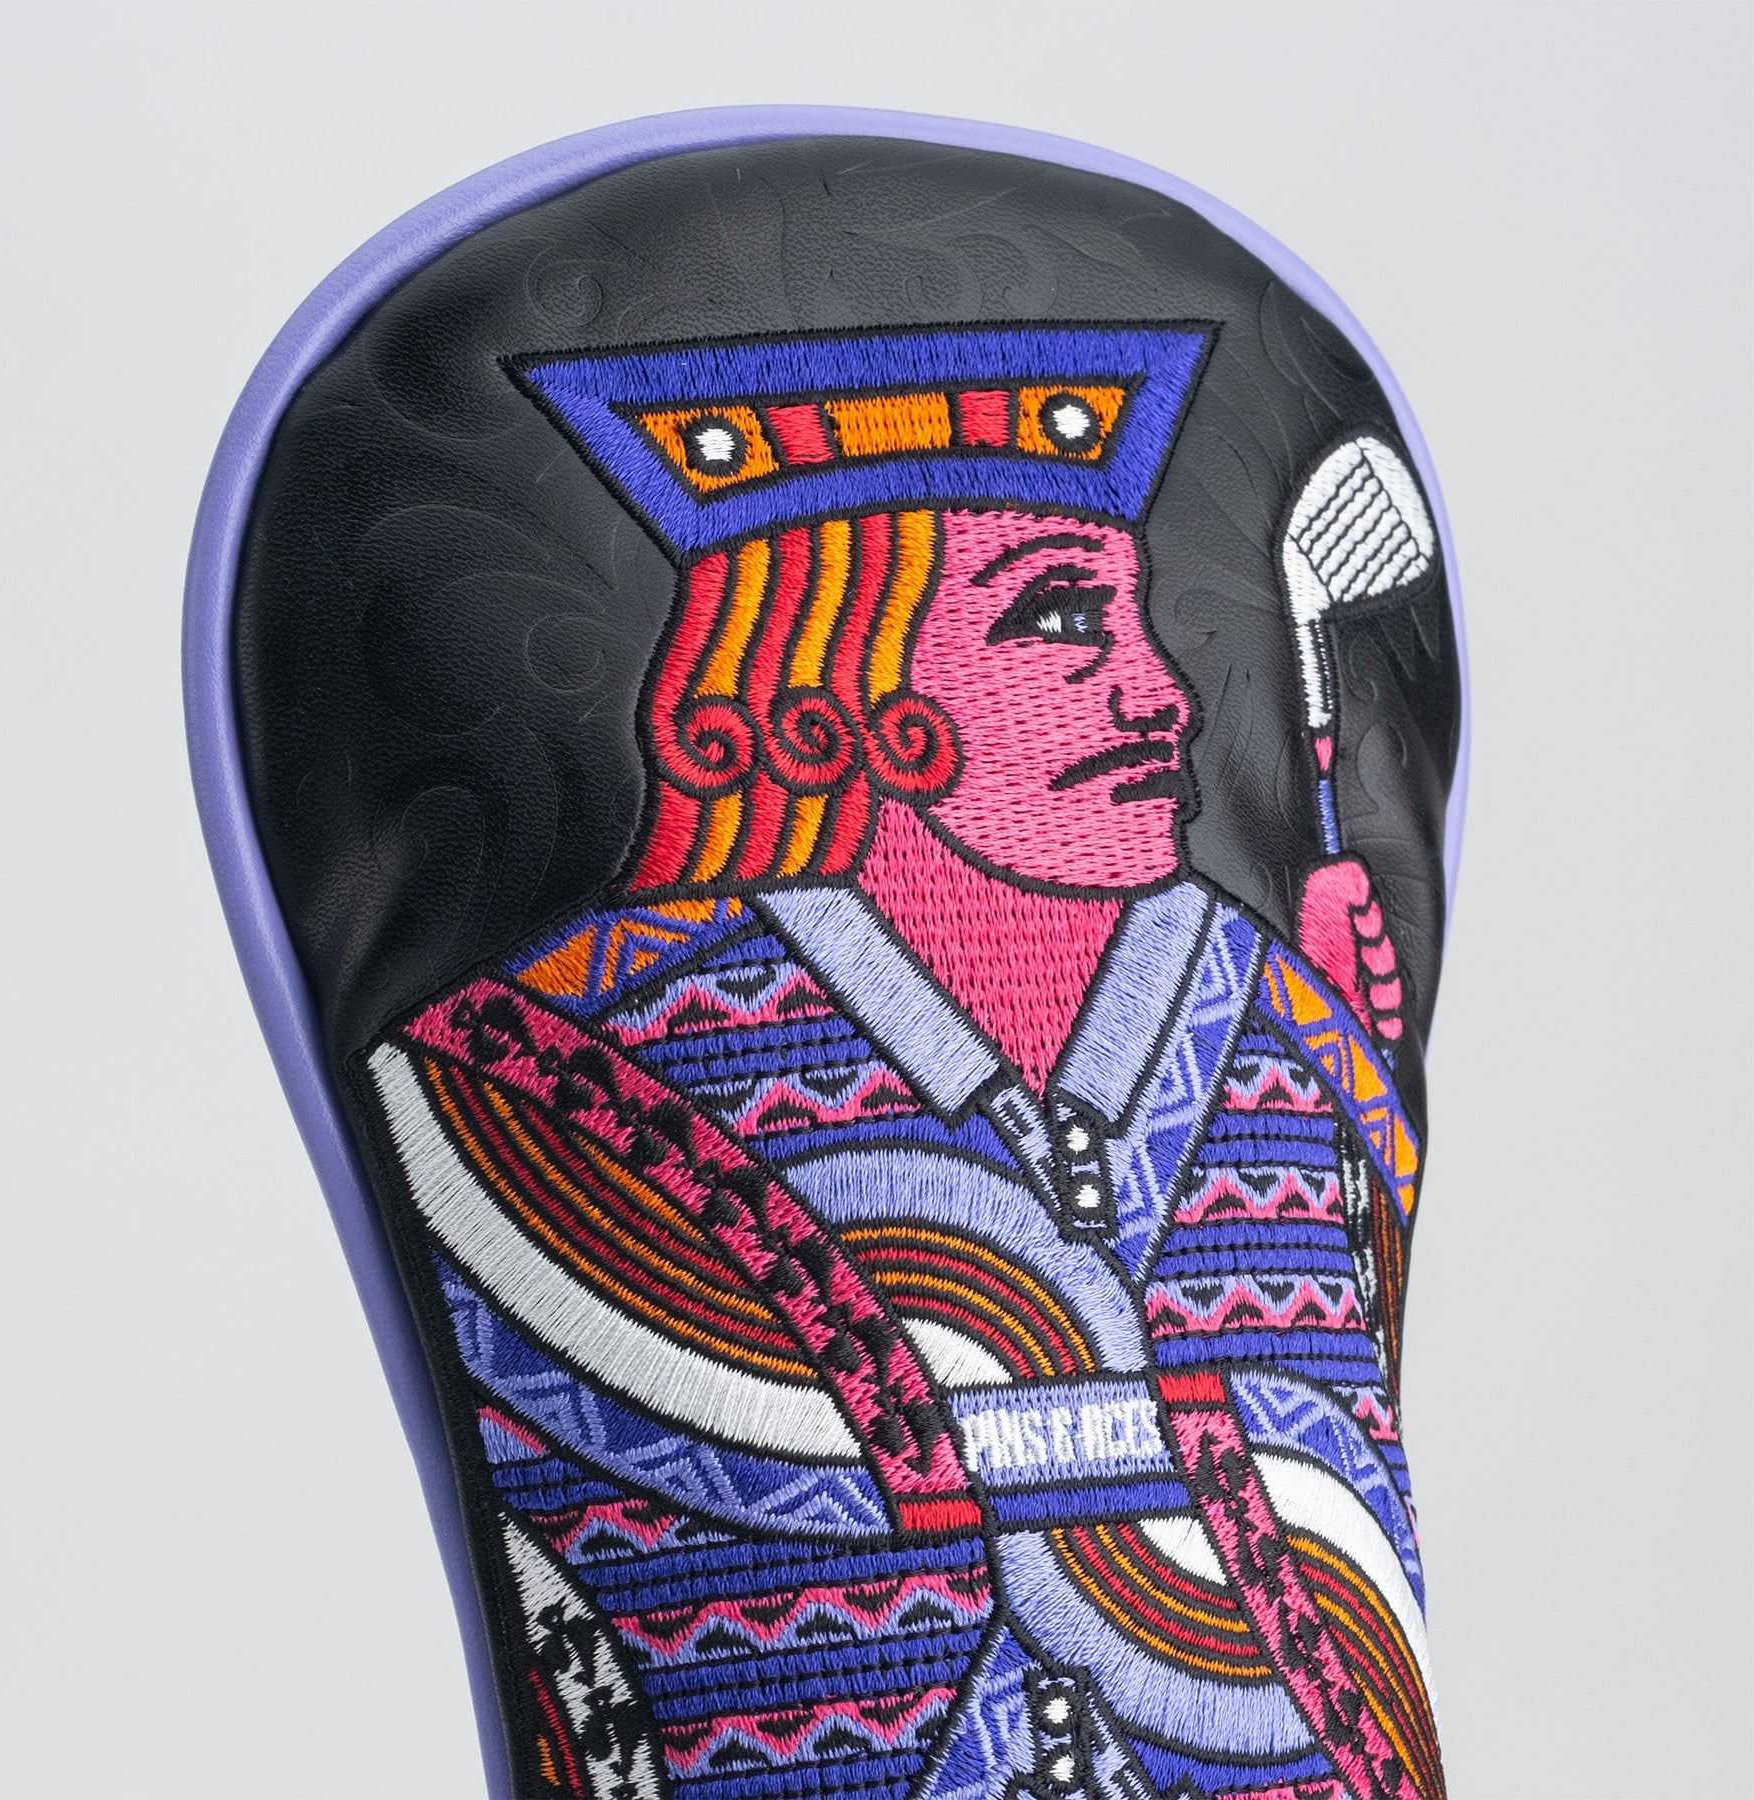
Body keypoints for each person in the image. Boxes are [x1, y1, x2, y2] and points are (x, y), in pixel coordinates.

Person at [368, 326, 1443, 1800]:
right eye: (1059, 621)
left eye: (1139, 621)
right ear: (836, 677)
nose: (1166, 696)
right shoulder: (546, 1075)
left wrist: (1353, 1079)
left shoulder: (1286, 1026)